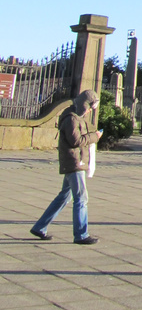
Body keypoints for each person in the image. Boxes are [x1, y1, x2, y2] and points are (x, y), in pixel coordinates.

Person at [31, 89, 102, 245]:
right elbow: (75, 141)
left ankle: (40, 227)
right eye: (90, 106)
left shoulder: (76, 117)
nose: (91, 110)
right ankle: (81, 234)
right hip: (74, 162)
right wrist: (94, 137)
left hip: (75, 161)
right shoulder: (71, 118)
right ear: (85, 104)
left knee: (64, 197)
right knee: (81, 198)